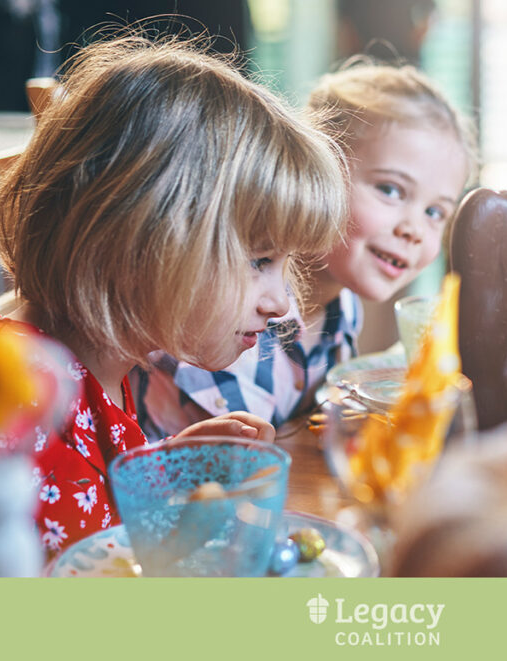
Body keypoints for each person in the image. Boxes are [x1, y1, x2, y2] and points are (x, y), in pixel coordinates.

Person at [0, 32, 348, 576]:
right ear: (140, 241)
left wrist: (158, 477)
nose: (283, 303)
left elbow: (84, 526)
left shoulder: (104, 373)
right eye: (260, 260)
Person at [134, 59, 477, 438]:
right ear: (318, 168)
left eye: (435, 212)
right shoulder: (233, 306)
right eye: (390, 190)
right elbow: (232, 453)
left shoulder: (344, 307)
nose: (413, 230)